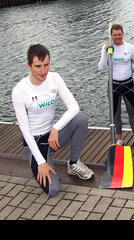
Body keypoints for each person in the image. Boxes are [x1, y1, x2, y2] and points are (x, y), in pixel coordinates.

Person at [12, 44, 94, 196]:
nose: (43, 71)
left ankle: (73, 163)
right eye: (38, 66)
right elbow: (25, 130)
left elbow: (74, 106)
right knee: (53, 191)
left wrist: (55, 128)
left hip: (51, 136)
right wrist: (41, 163)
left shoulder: (54, 78)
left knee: (80, 120)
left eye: (46, 65)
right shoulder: (19, 91)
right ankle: (40, 161)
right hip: (34, 142)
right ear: (29, 65)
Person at [98, 24, 134, 150]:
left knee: (131, 111)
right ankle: (119, 139)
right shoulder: (107, 47)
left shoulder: (130, 48)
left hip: (128, 84)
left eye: (119, 34)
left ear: (123, 33)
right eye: (115, 35)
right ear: (111, 35)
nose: (117, 37)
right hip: (114, 86)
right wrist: (105, 51)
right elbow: (101, 68)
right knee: (116, 113)